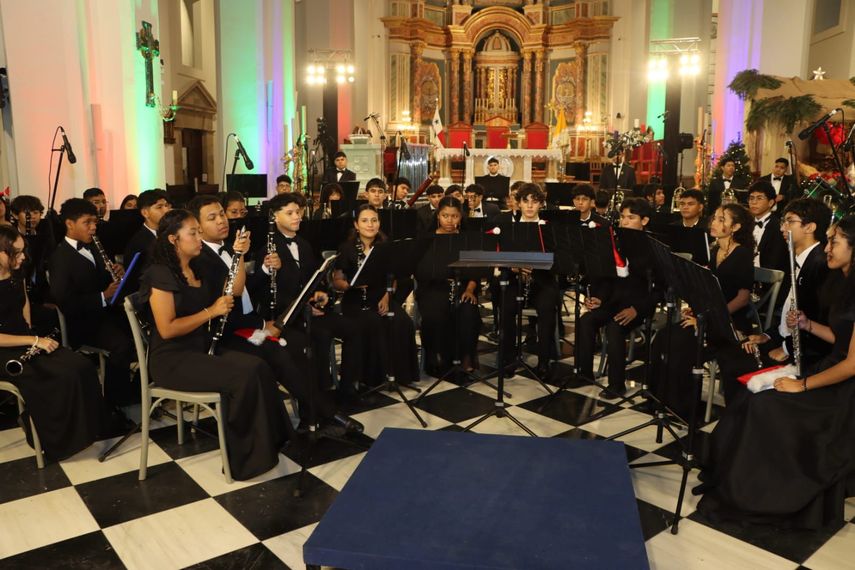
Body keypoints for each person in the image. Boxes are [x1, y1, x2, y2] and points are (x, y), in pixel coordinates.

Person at [696, 214, 855, 529]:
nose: (827, 247)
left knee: (766, 405)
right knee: (747, 398)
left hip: (843, 390)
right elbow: (842, 338)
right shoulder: (844, 281)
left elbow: (852, 363)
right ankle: (732, 482)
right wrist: (809, 325)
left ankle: (757, 493)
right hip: (828, 369)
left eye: (835, 241)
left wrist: (804, 385)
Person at [188, 195, 361, 434]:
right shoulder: (200, 259)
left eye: (221, 214)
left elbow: (247, 290)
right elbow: (227, 301)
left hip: (248, 322)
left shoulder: (227, 248)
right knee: (293, 345)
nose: (222, 221)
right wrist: (264, 324)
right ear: (197, 226)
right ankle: (321, 413)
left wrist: (263, 270)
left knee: (303, 342)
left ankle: (316, 414)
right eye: (213, 217)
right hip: (228, 332)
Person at [141, 209, 291, 480]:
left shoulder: (197, 266)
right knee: (242, 376)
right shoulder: (159, 274)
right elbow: (167, 328)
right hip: (172, 359)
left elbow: (232, 290)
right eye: (193, 233)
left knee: (258, 364)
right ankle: (246, 461)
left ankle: (273, 441)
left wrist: (240, 255)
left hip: (201, 349)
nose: (199, 238)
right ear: (174, 239)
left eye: (199, 232)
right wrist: (210, 312)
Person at [0, 224, 104, 461]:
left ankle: (84, 432)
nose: (23, 256)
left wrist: (30, 336)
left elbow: (23, 306)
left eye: (22, 250)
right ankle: (50, 438)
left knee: (81, 366)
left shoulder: (17, 274)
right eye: (15, 252)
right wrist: (34, 340)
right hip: (3, 351)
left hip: (24, 341)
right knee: (51, 377)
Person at [717, 198, 833, 401]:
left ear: (810, 227)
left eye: (789, 221)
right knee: (732, 354)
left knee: (737, 363)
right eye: (783, 221)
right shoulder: (799, 259)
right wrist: (768, 337)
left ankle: (744, 422)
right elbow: (788, 314)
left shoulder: (819, 265)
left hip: (808, 357)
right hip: (787, 341)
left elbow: (819, 322)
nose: (782, 227)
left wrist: (786, 348)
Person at [252, 192, 365, 396]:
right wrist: (303, 307)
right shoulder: (267, 250)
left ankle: (348, 388)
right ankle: (320, 394)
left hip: (309, 309)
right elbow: (266, 295)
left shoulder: (304, 245)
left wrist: (320, 293)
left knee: (354, 328)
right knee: (320, 335)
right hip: (287, 316)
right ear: (275, 217)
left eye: (298, 212)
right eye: (290, 213)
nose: (297, 217)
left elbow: (314, 279)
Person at [651, 203, 756, 416]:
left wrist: (708, 318)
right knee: (664, 336)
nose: (713, 223)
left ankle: (683, 408)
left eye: (721, 219)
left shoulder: (743, 254)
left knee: (681, 347)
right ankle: (660, 398)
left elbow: (743, 299)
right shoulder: (716, 249)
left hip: (728, 323)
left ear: (735, 227)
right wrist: (697, 309)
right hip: (707, 316)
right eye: (715, 218)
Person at [48, 198, 137, 407]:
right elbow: (64, 302)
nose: (93, 227)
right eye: (87, 222)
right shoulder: (59, 257)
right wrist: (103, 296)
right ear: (70, 224)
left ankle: (134, 388)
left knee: (145, 331)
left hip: (107, 314)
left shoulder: (95, 246)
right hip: (83, 322)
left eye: (95, 222)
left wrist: (118, 273)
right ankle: (114, 402)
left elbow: (103, 280)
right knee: (121, 345)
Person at [575, 198, 658, 399]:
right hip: (614, 301)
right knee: (586, 320)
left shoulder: (653, 247)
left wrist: (637, 309)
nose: (625, 222)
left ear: (644, 221)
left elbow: (659, 289)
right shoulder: (616, 240)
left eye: (631, 217)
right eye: (622, 217)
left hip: (638, 305)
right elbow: (608, 278)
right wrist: (599, 299)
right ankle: (584, 374)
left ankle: (617, 384)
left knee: (615, 327)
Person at [332, 204, 420, 387]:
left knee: (402, 322)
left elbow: (393, 279)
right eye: (364, 221)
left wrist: (387, 297)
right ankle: (372, 378)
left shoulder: (386, 246)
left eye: (374, 220)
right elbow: (337, 280)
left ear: (379, 223)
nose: (370, 225)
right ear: (356, 225)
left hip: (382, 297)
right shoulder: (346, 248)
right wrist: (349, 285)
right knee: (373, 322)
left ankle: (397, 375)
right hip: (356, 300)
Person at [415, 196, 482, 376]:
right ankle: (435, 354)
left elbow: (476, 270)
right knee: (435, 311)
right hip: (433, 288)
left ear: (461, 217)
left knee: (469, 311)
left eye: (454, 216)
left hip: (462, 288)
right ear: (438, 215)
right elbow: (420, 271)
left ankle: (466, 356)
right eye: (445, 216)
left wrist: (469, 290)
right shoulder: (426, 239)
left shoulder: (467, 239)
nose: (449, 221)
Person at [498, 184, 561, 376]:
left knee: (547, 308)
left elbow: (560, 261)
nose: (530, 206)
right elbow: (500, 257)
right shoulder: (510, 228)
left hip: (542, 281)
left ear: (541, 204)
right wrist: (514, 266)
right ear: (518, 204)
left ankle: (544, 360)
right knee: (506, 307)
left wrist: (539, 263)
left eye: (535, 202)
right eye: (526, 201)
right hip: (516, 280)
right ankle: (509, 359)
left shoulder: (551, 229)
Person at [122, 189, 172, 296]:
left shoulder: (172, 233)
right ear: (145, 213)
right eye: (159, 207)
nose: (166, 210)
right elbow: (136, 280)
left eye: (167, 205)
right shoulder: (138, 242)